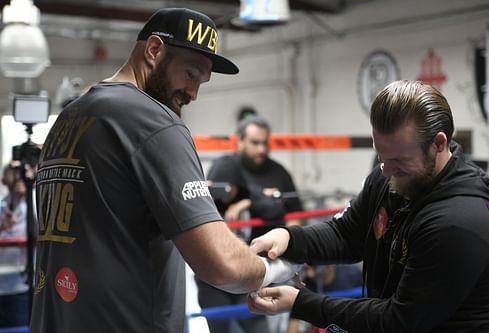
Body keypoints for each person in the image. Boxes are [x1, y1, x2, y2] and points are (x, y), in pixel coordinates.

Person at [30, 8, 300, 333]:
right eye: (190, 74)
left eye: (201, 81)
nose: (194, 94)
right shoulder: (154, 122)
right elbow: (223, 266)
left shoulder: (69, 118)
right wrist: (284, 265)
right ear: (154, 50)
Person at [248, 80, 489, 332]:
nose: (387, 171)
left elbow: (399, 321)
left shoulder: (459, 223)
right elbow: (346, 234)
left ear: (439, 144)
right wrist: (290, 239)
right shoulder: (389, 179)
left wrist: (301, 303)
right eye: (381, 157)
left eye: (399, 160)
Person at [197, 155, 287, 333]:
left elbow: (276, 209)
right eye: (219, 187)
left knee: (259, 329)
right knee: (219, 328)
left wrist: (247, 202)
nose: (224, 194)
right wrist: (200, 193)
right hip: (213, 281)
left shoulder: (248, 195)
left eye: (228, 187)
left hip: (246, 278)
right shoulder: (206, 199)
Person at [235, 115, 303, 240]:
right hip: (232, 250)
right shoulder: (225, 170)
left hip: (273, 253)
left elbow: (295, 213)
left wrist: (286, 239)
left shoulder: (280, 172)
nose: (262, 149)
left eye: (265, 143)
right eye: (255, 143)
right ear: (240, 141)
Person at [0, 162, 29, 327]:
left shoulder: (35, 205)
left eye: (21, 172)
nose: (18, 176)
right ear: (3, 179)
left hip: (20, 286)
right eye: (13, 171)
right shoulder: (2, 205)